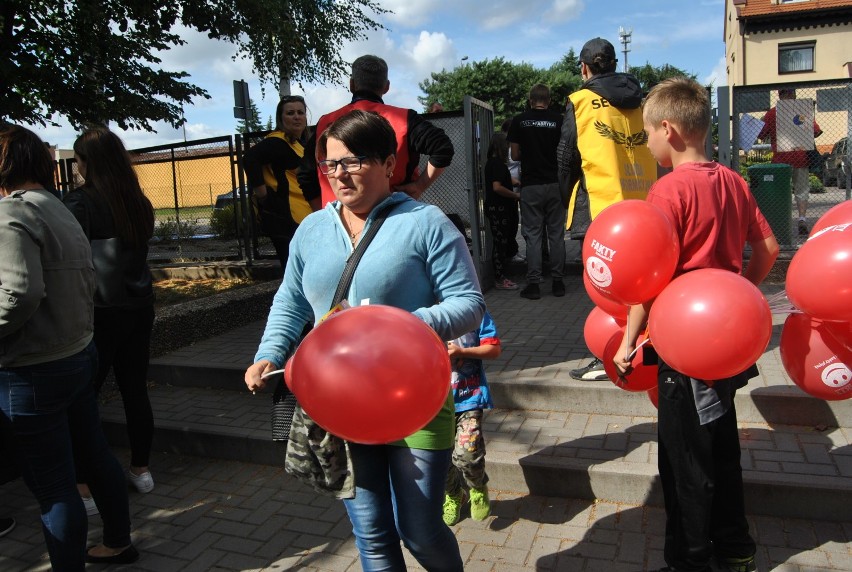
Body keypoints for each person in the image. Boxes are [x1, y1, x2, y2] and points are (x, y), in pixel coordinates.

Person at [245, 110, 484, 571]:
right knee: (372, 536)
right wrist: (268, 354)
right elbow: (291, 300)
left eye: (353, 161)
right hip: (342, 404)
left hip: (415, 398)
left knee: (419, 529)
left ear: (389, 163)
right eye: (331, 164)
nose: (339, 174)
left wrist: (394, 329)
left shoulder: (426, 222)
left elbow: (468, 302)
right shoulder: (311, 230)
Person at [614, 78, 779, 572]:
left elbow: (647, 277)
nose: (647, 143)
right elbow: (769, 250)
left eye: (647, 134)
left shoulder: (666, 191)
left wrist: (626, 342)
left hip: (684, 347)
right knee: (721, 445)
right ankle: (735, 548)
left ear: (669, 129)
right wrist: (739, 295)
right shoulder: (735, 181)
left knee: (686, 461)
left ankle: (689, 560)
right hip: (726, 343)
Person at [0, 124, 138, 568]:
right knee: (94, 455)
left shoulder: (13, 213)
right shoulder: (57, 206)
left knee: (54, 485)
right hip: (76, 353)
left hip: (34, 367)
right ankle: (118, 540)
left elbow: (18, 292)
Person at [64, 127, 157, 503]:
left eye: (79, 159)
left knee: (85, 395)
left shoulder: (80, 203)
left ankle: (84, 485)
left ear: (89, 162)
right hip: (138, 305)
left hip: (100, 310)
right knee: (135, 388)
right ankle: (142, 469)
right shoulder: (138, 201)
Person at [559, 37, 659, 382]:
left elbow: (566, 158)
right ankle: (644, 349)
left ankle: (609, 353)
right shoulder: (643, 102)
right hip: (644, 208)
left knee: (605, 289)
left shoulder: (580, 101)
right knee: (643, 287)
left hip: (601, 210)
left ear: (584, 68)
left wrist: (563, 200)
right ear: (614, 65)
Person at [299, 54, 454, 205]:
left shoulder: (325, 123)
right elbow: (442, 147)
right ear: (386, 87)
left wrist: (323, 212)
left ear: (352, 84)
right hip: (394, 217)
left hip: (339, 222)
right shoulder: (405, 119)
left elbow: (306, 175)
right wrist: (420, 186)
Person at [242, 95, 319, 269]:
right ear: (281, 118)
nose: (297, 117)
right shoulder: (277, 141)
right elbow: (249, 159)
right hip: (286, 217)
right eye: (290, 113)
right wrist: (262, 195)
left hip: (303, 214)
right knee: (294, 269)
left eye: (300, 112)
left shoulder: (300, 143)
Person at [507, 84, 566, 300]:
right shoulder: (559, 120)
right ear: (548, 100)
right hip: (554, 184)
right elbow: (565, 151)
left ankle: (534, 285)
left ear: (531, 100)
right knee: (556, 234)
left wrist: (530, 153)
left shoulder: (519, 120)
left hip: (531, 185)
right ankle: (558, 283)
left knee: (533, 236)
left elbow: (514, 155)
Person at [442, 311, 500, 526]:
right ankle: (454, 494)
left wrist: (462, 351)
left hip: (468, 399)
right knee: (440, 459)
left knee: (467, 455)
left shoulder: (475, 313)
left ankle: (477, 487)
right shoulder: (419, 308)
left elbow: (493, 349)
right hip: (433, 404)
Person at [758, 88, 822, 235]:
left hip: (780, 160)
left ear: (780, 96)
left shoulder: (772, 113)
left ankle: (781, 222)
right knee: (801, 190)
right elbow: (816, 132)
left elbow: (761, 134)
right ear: (793, 95)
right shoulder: (802, 110)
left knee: (781, 192)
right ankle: (802, 218)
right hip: (801, 157)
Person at [484, 133, 521, 290]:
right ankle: (499, 278)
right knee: (500, 244)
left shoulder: (492, 163)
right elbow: (497, 187)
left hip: (496, 208)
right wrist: (515, 195)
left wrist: (516, 181)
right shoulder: (497, 164)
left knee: (502, 242)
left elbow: (502, 178)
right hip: (499, 209)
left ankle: (501, 275)